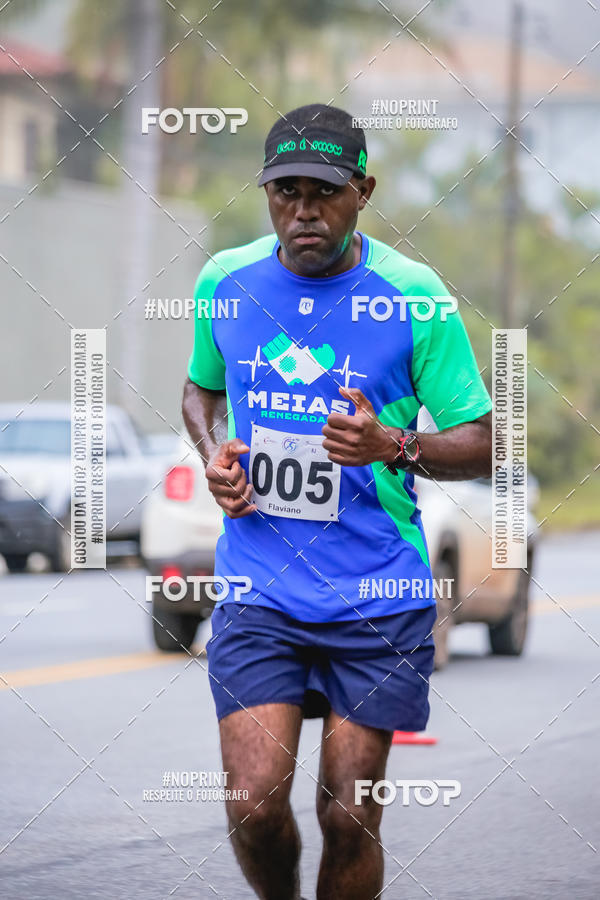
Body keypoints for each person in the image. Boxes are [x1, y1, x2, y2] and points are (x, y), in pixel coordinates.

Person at [182, 103, 492, 900]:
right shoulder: (226, 280)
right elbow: (199, 390)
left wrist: (395, 445)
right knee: (254, 804)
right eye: (284, 191)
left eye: (322, 191)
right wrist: (215, 452)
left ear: (363, 191)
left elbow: (485, 441)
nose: (303, 210)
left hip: (376, 593)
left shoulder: (415, 297)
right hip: (261, 585)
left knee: (348, 813)